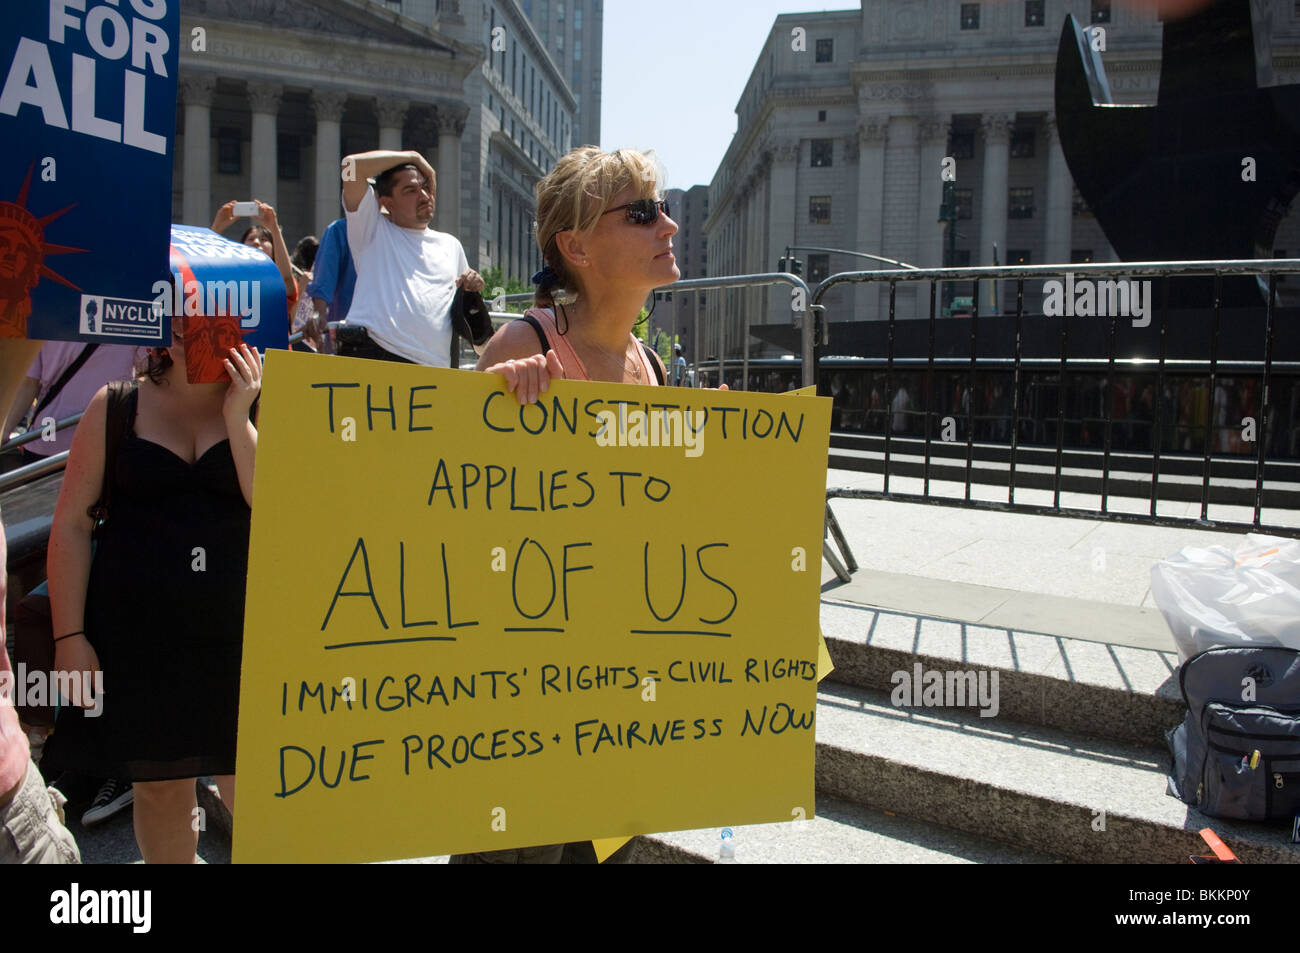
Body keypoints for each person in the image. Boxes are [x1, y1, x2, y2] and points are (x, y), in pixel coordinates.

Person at [466, 146, 712, 864]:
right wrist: (491, 414)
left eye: (662, 207)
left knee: (606, 849)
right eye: (642, 213)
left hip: (619, 669)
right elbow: (456, 515)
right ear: (575, 246)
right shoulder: (524, 343)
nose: (666, 223)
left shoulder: (652, 365)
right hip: (529, 682)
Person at [40, 317, 262, 863]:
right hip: (140, 641)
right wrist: (69, 636)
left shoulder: (266, 404)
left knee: (257, 790)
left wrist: (239, 416)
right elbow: (71, 523)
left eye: (207, 308)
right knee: (160, 788)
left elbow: (281, 510)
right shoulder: (115, 405)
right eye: (176, 309)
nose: (189, 325)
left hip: (246, 638)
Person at [1, 335, 80, 863]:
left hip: (63, 473)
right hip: (45, 470)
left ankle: (46, 729)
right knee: (34, 614)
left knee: (36, 614)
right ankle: (43, 727)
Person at [337, 149, 485, 365]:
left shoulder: (452, 246)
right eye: (411, 190)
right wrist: (412, 157)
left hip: (432, 371)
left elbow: (462, 311)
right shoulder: (372, 229)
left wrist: (473, 288)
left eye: (425, 187)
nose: (425, 196)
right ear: (388, 202)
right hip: (374, 359)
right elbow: (350, 167)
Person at [305, 217, 356, 355]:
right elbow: (323, 281)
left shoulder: (402, 233)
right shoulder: (340, 230)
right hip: (348, 343)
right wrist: (318, 315)